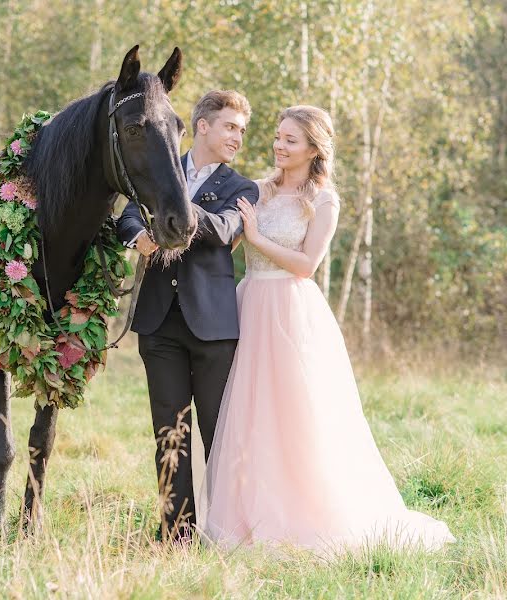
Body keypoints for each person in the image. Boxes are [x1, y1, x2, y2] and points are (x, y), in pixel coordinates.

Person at [202, 105, 455, 556]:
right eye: (277, 137)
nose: (279, 145)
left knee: (296, 418)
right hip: (248, 305)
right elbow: (222, 240)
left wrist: (258, 240)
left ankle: (303, 513)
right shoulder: (255, 190)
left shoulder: (323, 200)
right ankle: (243, 514)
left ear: (313, 148)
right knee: (247, 416)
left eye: (290, 140)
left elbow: (307, 265)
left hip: (289, 312)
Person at [117, 90, 260, 542]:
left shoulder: (243, 188)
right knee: (170, 432)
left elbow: (221, 231)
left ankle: (226, 530)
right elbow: (125, 216)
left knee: (220, 433)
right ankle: (176, 534)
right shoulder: (161, 169)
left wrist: (173, 201)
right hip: (158, 323)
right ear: (202, 126)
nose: (238, 137)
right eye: (230, 126)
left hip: (213, 328)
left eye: (241, 129)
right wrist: (138, 234)